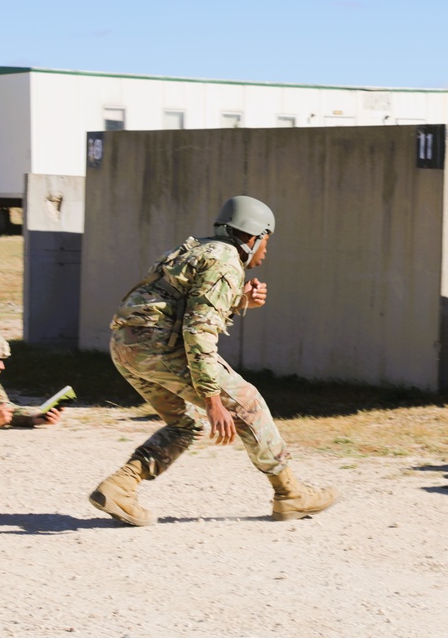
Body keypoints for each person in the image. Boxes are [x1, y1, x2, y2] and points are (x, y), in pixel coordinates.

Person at [89, 195, 339, 526]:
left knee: (185, 424)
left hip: (126, 346)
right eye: (267, 241)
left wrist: (240, 299)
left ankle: (120, 486)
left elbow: (183, 303)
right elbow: (198, 333)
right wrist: (213, 400)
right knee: (247, 402)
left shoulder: (198, 249)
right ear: (253, 237)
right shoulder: (225, 262)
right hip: (160, 346)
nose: (266, 250)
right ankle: (290, 494)